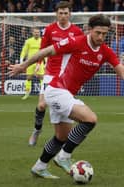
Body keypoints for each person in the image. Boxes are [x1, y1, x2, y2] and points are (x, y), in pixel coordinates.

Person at [8, 14, 124, 179]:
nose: (101, 37)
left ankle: (39, 167)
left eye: (105, 34)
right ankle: (64, 156)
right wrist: (24, 65)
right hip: (56, 90)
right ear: (89, 30)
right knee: (90, 119)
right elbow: (47, 50)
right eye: (98, 32)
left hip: (66, 95)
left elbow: (121, 70)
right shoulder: (76, 42)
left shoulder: (106, 51)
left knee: (61, 137)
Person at [28, 1, 83, 146]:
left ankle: (62, 136)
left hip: (67, 76)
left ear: (70, 14)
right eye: (61, 13)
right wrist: (38, 66)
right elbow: (42, 50)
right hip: (51, 73)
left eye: (66, 13)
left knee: (64, 108)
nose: (63, 16)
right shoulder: (49, 29)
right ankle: (37, 130)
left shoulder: (77, 32)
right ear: (56, 14)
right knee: (41, 105)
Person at [20, 27, 44, 100]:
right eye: (35, 32)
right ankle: (27, 93)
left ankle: (43, 93)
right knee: (29, 77)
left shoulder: (43, 41)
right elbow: (24, 50)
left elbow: (45, 51)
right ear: (33, 33)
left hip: (40, 61)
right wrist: (21, 59)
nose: (36, 33)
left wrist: (46, 61)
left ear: (40, 33)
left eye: (38, 32)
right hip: (30, 62)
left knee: (41, 77)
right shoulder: (28, 41)